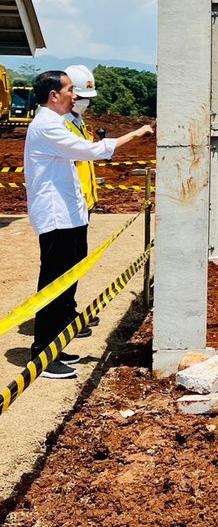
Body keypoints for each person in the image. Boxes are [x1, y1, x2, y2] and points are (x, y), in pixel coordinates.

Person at [24, 70, 154, 380]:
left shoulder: (58, 124)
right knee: (54, 286)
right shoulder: (46, 127)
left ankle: (56, 346)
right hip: (56, 218)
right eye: (69, 90)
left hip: (69, 216)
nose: (74, 95)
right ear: (54, 95)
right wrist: (135, 135)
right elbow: (92, 152)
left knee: (66, 284)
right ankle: (42, 353)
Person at [63, 64, 101, 330]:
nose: (85, 103)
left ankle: (69, 310)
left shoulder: (78, 122)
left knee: (76, 262)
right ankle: (62, 317)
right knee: (64, 266)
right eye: (82, 98)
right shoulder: (61, 125)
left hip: (82, 203)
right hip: (68, 207)